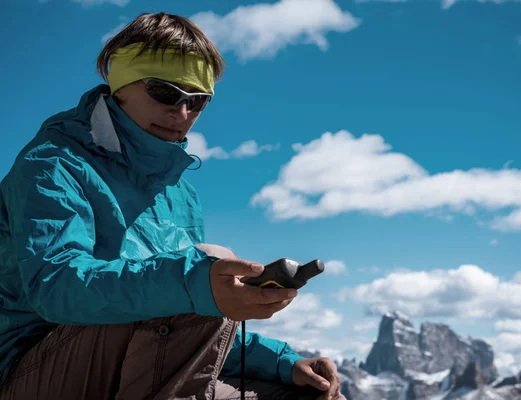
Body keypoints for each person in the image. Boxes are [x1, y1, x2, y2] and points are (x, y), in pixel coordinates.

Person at [0, 11, 344, 400]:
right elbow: (56, 287)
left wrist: (283, 362)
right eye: (165, 93)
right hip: (29, 369)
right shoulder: (54, 163)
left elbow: (179, 323)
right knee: (205, 265)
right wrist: (193, 281)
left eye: (197, 101)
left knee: (311, 395)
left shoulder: (180, 192)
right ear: (121, 83)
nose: (181, 113)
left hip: (134, 365)